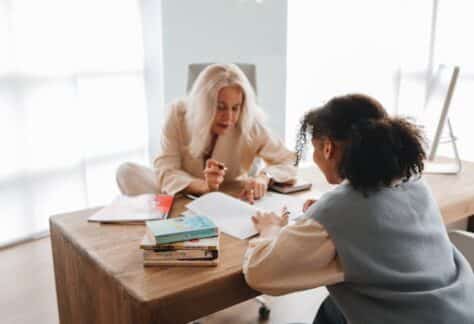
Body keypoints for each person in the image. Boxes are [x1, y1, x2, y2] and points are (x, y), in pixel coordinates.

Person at [243, 94, 474, 324]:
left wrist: (270, 231)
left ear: (327, 148)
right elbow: (369, 214)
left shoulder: (339, 212)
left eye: (314, 149)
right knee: (332, 308)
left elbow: (259, 273)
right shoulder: (414, 182)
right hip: (459, 308)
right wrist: (328, 213)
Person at [116, 63, 296, 201]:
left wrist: (264, 177)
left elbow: (288, 160)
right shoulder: (177, 115)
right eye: (220, 107)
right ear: (203, 105)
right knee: (127, 172)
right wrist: (203, 187)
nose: (229, 117)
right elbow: (167, 170)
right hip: (182, 193)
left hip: (226, 196)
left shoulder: (250, 123)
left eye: (236, 107)